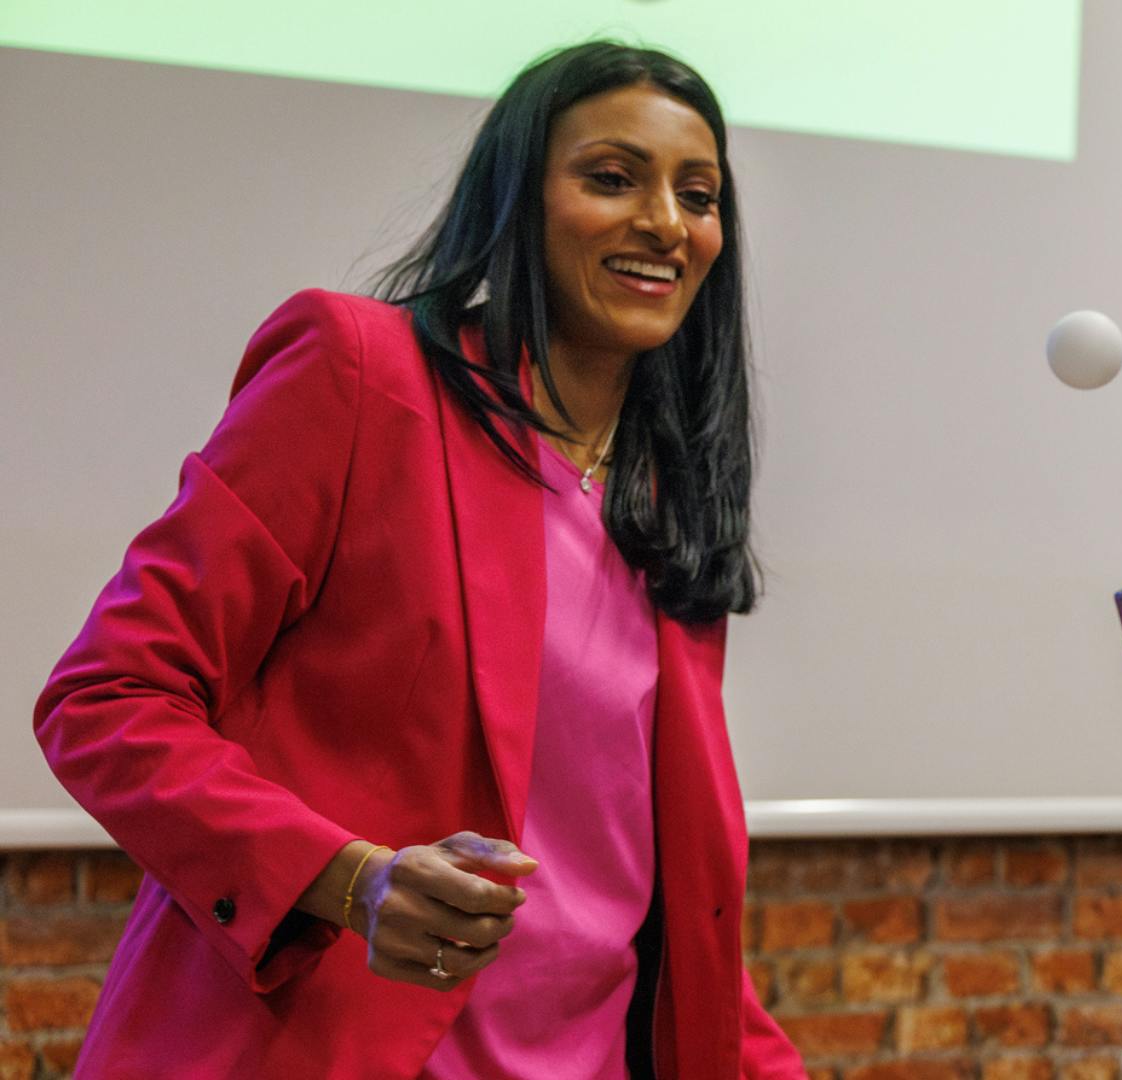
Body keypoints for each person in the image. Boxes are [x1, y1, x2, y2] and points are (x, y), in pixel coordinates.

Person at [34, 41, 805, 1079]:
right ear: (516, 202)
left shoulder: (664, 497)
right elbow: (108, 697)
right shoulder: (360, 376)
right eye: (611, 178)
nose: (666, 223)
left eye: (698, 195)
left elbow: (641, 890)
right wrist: (349, 880)